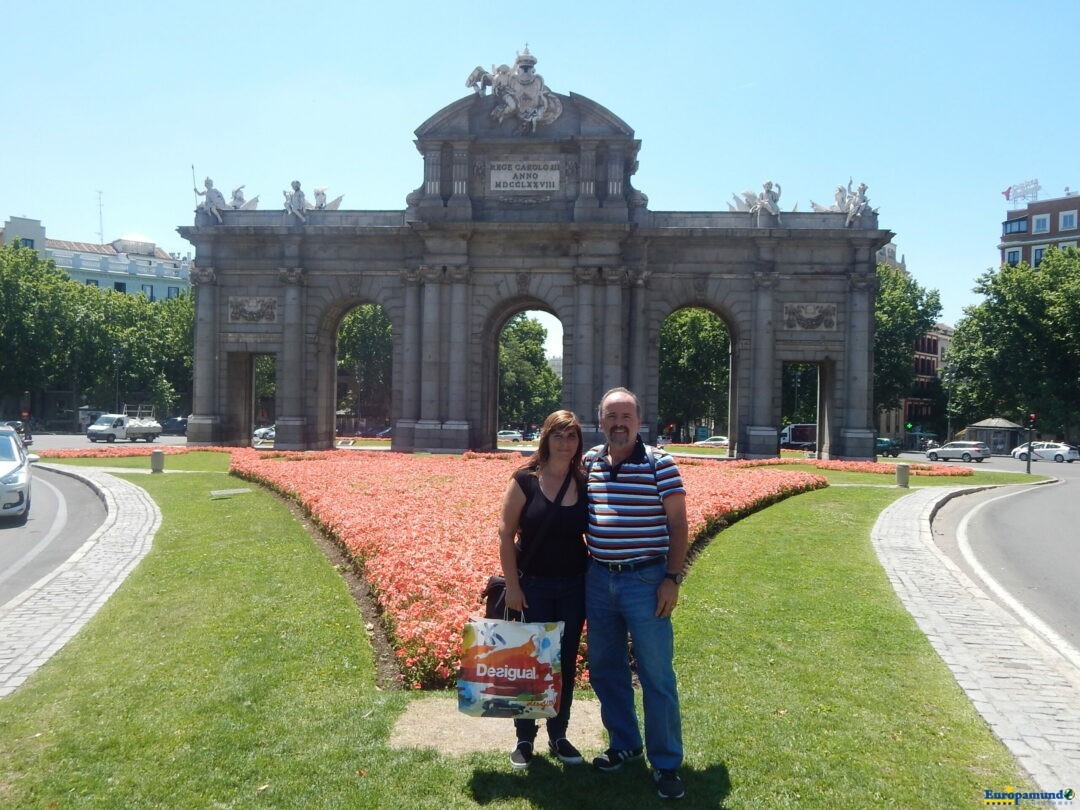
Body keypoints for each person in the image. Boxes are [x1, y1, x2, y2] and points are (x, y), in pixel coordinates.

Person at [584, 387, 689, 800]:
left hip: (646, 581)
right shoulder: (590, 460)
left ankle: (666, 764)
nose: (619, 423)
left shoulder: (660, 464)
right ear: (601, 421)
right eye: (611, 416)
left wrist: (672, 579)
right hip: (598, 578)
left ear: (639, 422)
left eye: (625, 416)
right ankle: (625, 744)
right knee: (606, 669)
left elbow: (679, 524)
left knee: (656, 675)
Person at [498, 410, 589, 770]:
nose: (565, 443)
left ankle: (559, 733)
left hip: (574, 586)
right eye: (558, 436)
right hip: (533, 585)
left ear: (578, 442)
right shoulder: (525, 480)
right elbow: (505, 533)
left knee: (563, 664)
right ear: (546, 439)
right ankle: (524, 737)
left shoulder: (583, 481)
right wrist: (514, 586)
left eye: (572, 437)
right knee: (531, 664)